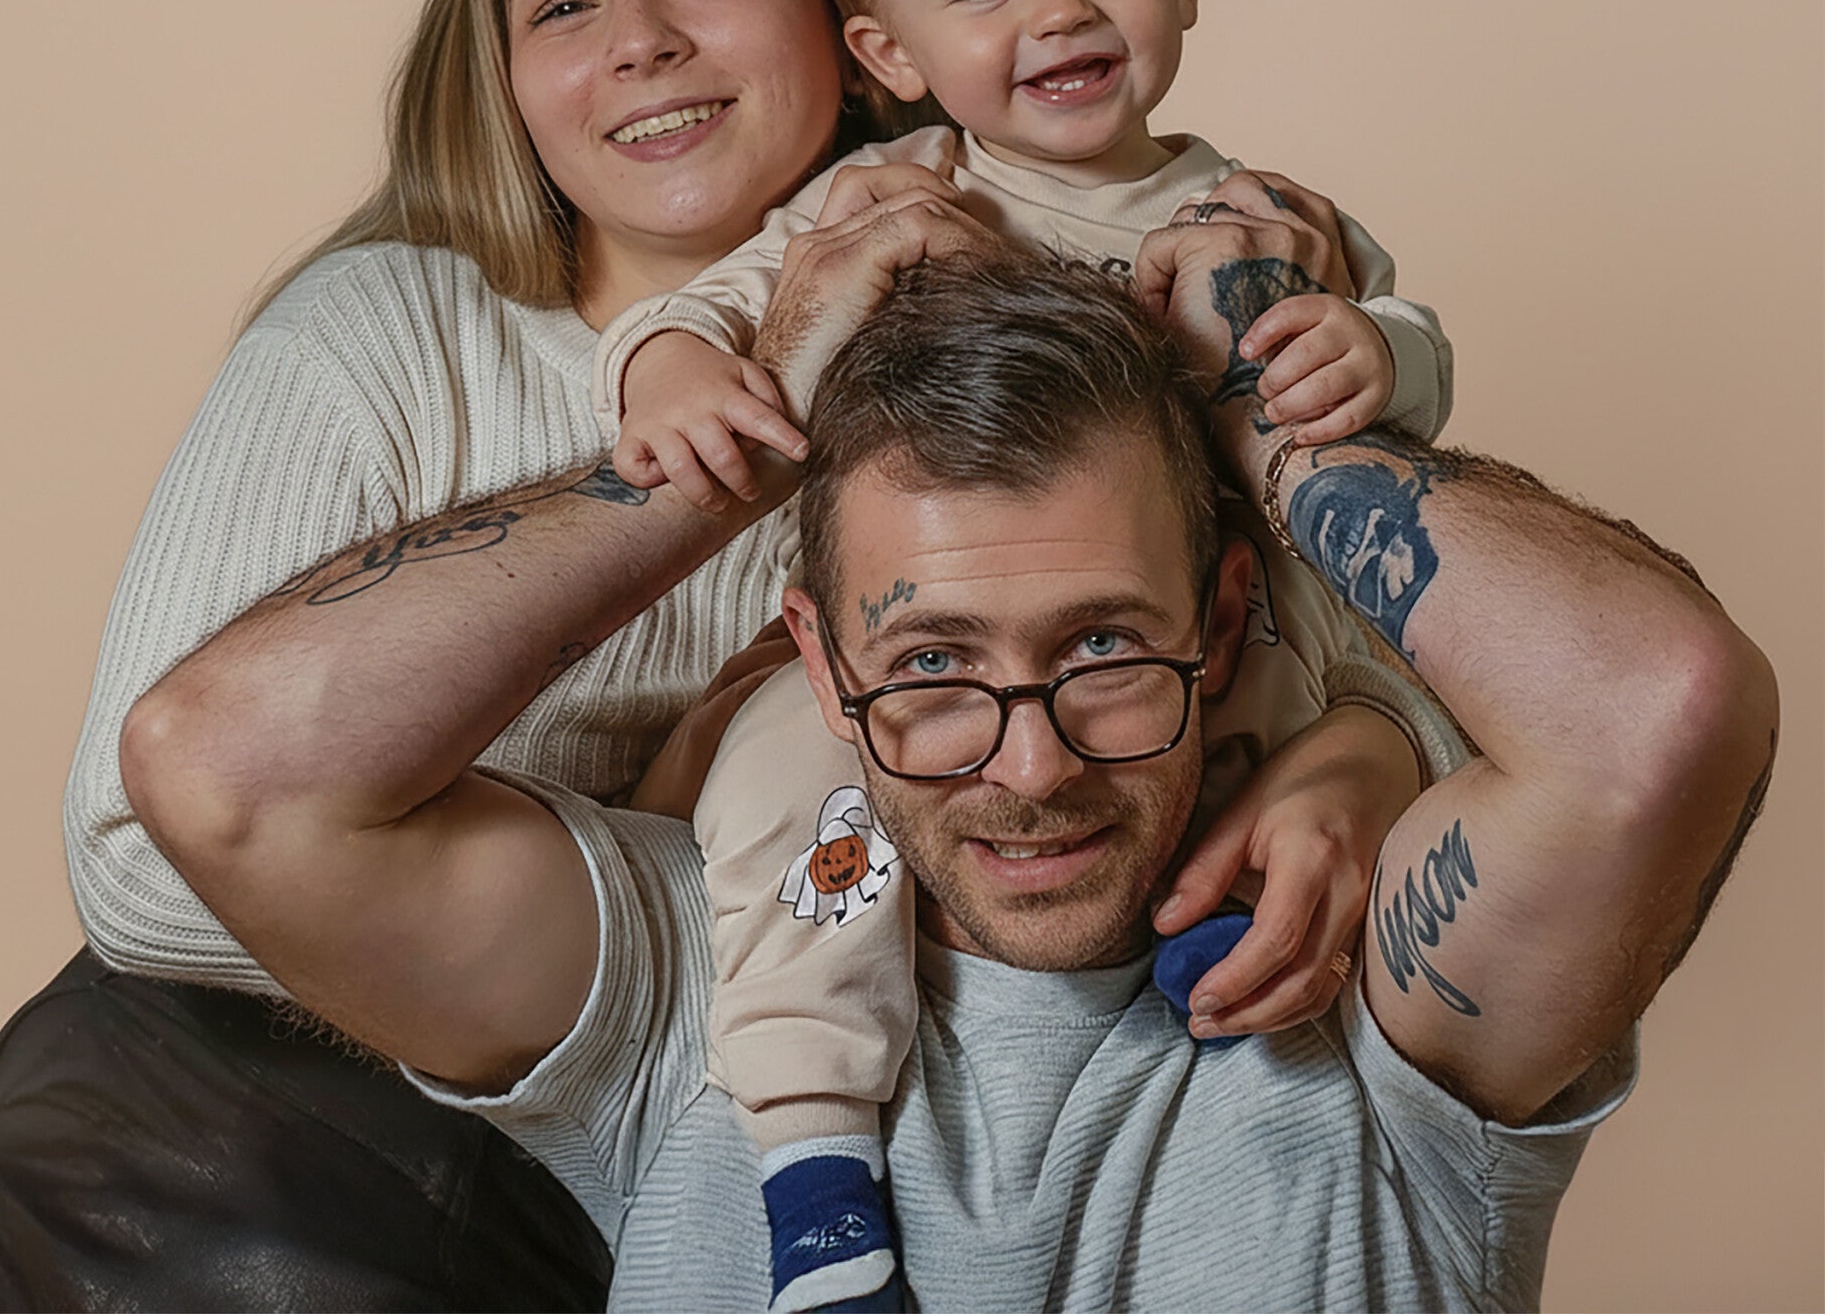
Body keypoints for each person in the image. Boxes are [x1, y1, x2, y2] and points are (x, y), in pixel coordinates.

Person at [0, 0, 1401, 1311]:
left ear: (861, 17)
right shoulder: (380, 338)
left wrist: (1371, 749)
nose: (640, 42)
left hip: (907, 1015)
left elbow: (1338, 627)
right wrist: (683, 828)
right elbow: (150, 856)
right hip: (436, 1108)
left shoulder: (1045, 281)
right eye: (562, 4)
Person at [369, 247, 1766, 1311]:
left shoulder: (1367, 984)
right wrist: (730, 448)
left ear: (1225, 620)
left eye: (1104, 645)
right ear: (823, 665)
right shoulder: (705, 967)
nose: (1032, 769)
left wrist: (1255, 415)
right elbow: (258, 785)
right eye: (931, 662)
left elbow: (1659, 708)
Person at [588, 0, 1456, 1309]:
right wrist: (670, 373)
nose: (1056, 9)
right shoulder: (898, 197)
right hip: (914, 659)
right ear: (890, 51)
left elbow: (1410, 356)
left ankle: (1220, 949)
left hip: (1188, 636)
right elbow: (705, 318)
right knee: (785, 784)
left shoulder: (1256, 213)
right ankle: (812, 1155)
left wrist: (1369, 349)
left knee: (1304, 719)